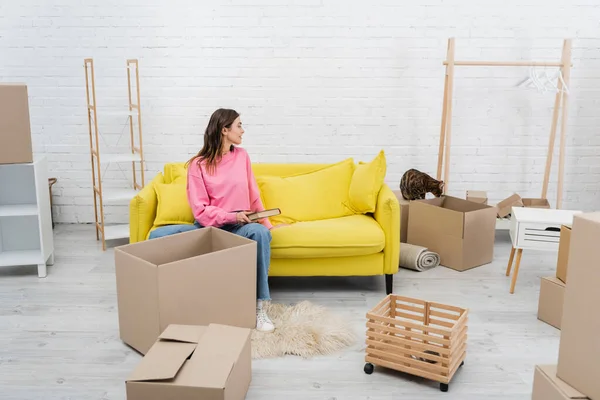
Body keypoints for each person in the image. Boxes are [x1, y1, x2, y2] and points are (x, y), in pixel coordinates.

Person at [185, 108, 282, 333]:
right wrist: (231, 216)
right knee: (158, 237)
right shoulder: (197, 165)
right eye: (239, 125)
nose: (243, 130)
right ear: (224, 130)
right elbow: (200, 211)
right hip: (212, 229)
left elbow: (253, 192)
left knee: (259, 233)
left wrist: (268, 225)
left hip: (241, 226)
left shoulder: (242, 156)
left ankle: (260, 307)